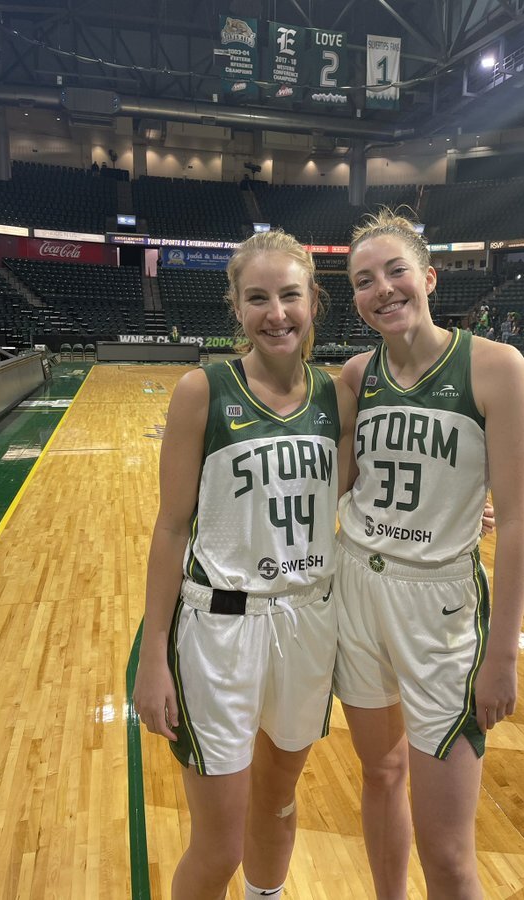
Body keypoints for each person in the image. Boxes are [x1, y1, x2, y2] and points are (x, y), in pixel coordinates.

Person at [133, 229, 357, 900]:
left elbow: (366, 491)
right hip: (221, 632)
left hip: (307, 625)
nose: (276, 313)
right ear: (236, 307)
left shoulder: (337, 399)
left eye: (290, 295)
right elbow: (171, 528)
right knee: (219, 843)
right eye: (257, 298)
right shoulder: (201, 390)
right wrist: (152, 657)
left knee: (279, 803)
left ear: (313, 301)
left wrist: (466, 510)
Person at [333, 209, 524, 900]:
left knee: (448, 854)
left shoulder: (495, 367)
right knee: (380, 773)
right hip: (356, 590)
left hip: (441, 609)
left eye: (395, 271)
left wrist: (502, 654)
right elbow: (334, 483)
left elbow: (516, 522)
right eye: (364, 280)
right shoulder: (356, 376)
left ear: (427, 277)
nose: (382, 289)